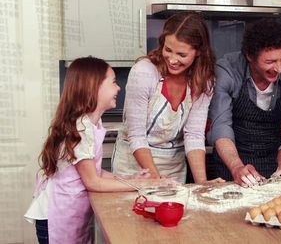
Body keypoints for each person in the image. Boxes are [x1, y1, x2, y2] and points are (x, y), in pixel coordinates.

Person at [24, 57, 156, 244]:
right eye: (113, 82)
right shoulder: (81, 128)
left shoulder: (91, 124)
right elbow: (93, 182)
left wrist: (131, 179)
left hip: (68, 212)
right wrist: (143, 186)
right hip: (56, 216)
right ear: (94, 87)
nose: (118, 88)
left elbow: (94, 171)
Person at [111, 12, 224, 184]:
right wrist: (157, 180)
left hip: (173, 168)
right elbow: (137, 136)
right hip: (133, 168)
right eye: (168, 50)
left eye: (182, 54)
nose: (172, 60)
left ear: (199, 52)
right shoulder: (144, 72)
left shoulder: (204, 81)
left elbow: (194, 135)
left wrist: (202, 184)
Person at [207, 19, 281, 187]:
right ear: (249, 56)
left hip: (274, 163)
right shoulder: (228, 72)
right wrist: (236, 167)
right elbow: (220, 125)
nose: (278, 69)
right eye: (269, 62)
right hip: (231, 164)